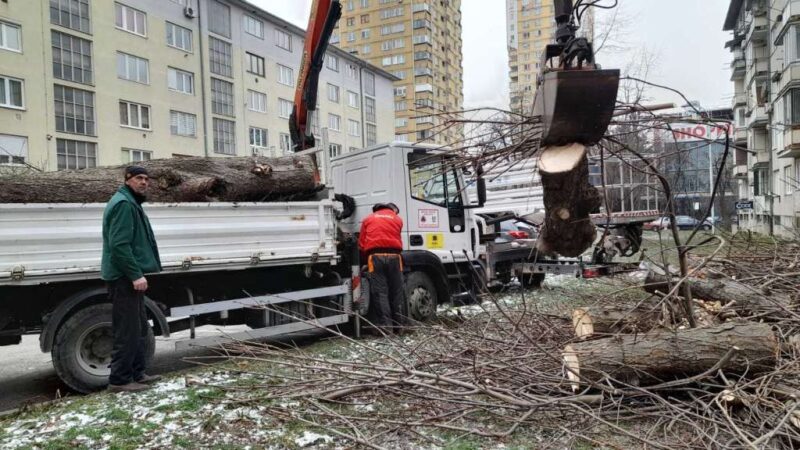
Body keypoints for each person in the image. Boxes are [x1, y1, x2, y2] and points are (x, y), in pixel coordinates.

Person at [101, 166, 163, 392]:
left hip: (128, 277)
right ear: (128, 180)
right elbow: (119, 245)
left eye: (147, 178)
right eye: (139, 178)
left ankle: (137, 373)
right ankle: (119, 381)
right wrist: (135, 274)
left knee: (138, 328)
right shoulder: (124, 204)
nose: (144, 182)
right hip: (124, 278)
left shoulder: (130, 202)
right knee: (127, 330)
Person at [358, 202, 407, 333]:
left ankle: (386, 328)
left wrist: (364, 260)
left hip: (375, 258)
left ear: (375, 210)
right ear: (391, 209)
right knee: (396, 292)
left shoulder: (368, 219)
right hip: (395, 257)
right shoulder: (397, 219)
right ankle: (399, 326)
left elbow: (362, 244)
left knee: (380, 293)